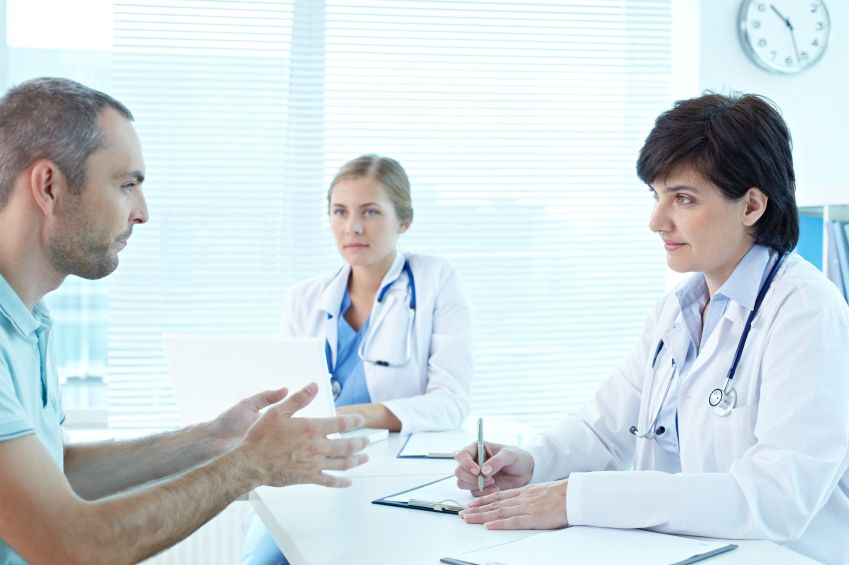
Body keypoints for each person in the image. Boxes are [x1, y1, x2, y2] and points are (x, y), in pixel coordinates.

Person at [454, 93, 849, 565]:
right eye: (657, 195)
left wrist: (577, 499)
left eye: (682, 198)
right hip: (680, 552)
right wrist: (533, 462)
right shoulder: (677, 310)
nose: (656, 221)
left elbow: (776, 500)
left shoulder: (806, 312)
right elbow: (603, 429)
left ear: (751, 206)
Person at [0, 77, 370, 564]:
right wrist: (249, 466)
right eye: (126, 184)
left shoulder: (30, 320)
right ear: (49, 186)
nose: (143, 212)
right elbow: (71, 546)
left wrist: (213, 439)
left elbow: (58, 473)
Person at [242, 154, 474, 564]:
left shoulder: (436, 280)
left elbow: (450, 403)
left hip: (395, 475)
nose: (353, 227)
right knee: (265, 559)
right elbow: (287, 401)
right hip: (312, 469)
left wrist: (352, 415)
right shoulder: (304, 298)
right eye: (340, 212)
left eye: (370, 211)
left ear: (404, 221)